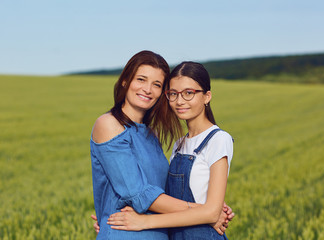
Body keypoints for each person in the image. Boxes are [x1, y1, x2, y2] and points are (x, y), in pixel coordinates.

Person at [90, 52, 233, 240]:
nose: (148, 89)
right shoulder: (108, 124)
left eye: (157, 85)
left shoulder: (152, 134)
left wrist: (210, 210)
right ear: (125, 80)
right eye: (141, 79)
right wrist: (207, 212)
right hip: (127, 233)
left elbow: (162, 192)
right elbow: (137, 193)